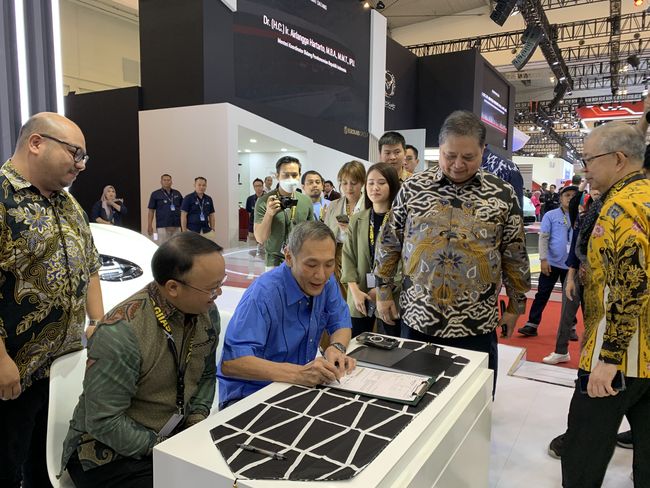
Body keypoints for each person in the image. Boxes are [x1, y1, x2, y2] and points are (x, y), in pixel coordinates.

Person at [374, 111, 531, 388]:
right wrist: (383, 291)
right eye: (450, 155)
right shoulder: (412, 189)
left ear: (483, 150)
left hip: (476, 323)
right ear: (440, 149)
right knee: (414, 394)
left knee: (473, 401)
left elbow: (515, 254)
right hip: (419, 318)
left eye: (468, 157)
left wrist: (516, 305)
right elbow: (389, 242)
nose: (458, 164)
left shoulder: (502, 194)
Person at [61, 232, 225, 488]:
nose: (219, 293)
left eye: (220, 284)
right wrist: (165, 448)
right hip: (108, 454)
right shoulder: (122, 332)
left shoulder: (206, 313)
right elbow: (104, 422)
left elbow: (205, 374)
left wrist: (195, 424)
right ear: (173, 287)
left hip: (172, 439)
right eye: (211, 288)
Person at [0, 112, 104, 488]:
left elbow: (91, 265)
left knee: (46, 463)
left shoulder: (68, 203)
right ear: (36, 143)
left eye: (83, 157)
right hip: (15, 372)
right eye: (74, 153)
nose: (80, 164)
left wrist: (98, 323)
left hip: (62, 368)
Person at [560, 122, 649, 487]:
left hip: (619, 356)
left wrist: (609, 358)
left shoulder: (620, 209)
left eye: (589, 159)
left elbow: (631, 286)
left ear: (618, 159)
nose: (585, 169)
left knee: (584, 449)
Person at [218, 221, 355, 409]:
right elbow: (232, 362)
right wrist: (299, 374)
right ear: (289, 257)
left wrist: (336, 348)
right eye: (311, 265)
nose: (321, 275)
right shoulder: (264, 294)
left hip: (293, 388)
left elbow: (340, 322)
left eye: (329, 264)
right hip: (249, 397)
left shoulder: (327, 282)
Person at [341, 163, 401, 337]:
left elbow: (405, 261)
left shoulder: (401, 220)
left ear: (392, 185)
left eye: (381, 183)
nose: (375, 188)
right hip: (360, 292)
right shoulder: (357, 219)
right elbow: (348, 256)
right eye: (371, 183)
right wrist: (354, 291)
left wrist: (383, 289)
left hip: (391, 293)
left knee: (390, 341)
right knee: (357, 342)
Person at [518, 185, 578, 337]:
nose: (570, 198)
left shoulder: (580, 216)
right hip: (551, 263)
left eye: (573, 195)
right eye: (567, 195)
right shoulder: (550, 215)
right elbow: (543, 238)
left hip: (571, 266)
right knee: (542, 294)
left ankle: (570, 328)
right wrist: (543, 259)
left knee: (570, 297)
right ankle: (532, 324)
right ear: (560, 198)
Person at [254, 156, 314, 268]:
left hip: (300, 259)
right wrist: (269, 214)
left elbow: (310, 235)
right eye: (285, 175)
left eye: (294, 175)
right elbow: (260, 238)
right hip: (274, 261)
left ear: (299, 176)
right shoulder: (264, 201)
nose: (290, 179)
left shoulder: (306, 201)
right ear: (277, 176)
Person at [323, 160, 366, 297]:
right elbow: (326, 232)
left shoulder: (369, 206)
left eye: (353, 183)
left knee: (356, 294)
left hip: (359, 255)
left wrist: (351, 231)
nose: (349, 188)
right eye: (344, 183)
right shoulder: (333, 205)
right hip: (335, 254)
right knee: (336, 294)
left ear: (362, 182)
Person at [147, 174, 183, 244]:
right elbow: (151, 211)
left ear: (171, 182)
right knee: (163, 245)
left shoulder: (177, 193)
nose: (166, 181)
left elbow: (183, 210)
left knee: (176, 246)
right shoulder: (155, 194)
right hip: (162, 225)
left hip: (176, 224)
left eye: (168, 180)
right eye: (164, 180)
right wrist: (149, 225)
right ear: (161, 182)